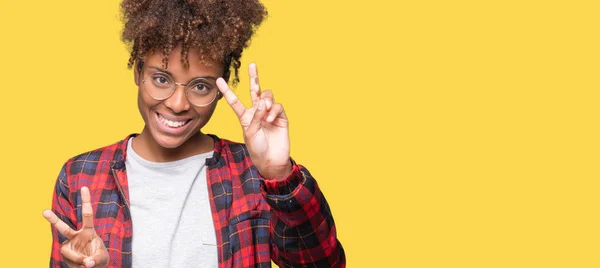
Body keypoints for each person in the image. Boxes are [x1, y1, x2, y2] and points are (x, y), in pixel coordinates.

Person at [41, 0, 345, 267]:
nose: (177, 104)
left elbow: (322, 263)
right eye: (161, 79)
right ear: (137, 71)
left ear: (221, 88)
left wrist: (279, 174)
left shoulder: (252, 173)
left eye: (201, 86)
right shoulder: (81, 176)